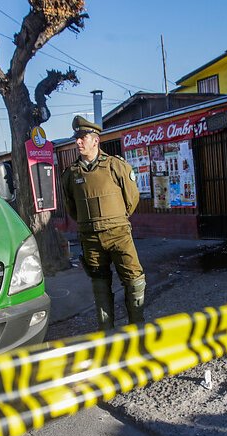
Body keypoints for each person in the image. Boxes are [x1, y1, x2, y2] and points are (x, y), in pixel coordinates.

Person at [61, 115, 146, 331]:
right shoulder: (70, 174)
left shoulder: (116, 166)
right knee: (99, 285)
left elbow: (132, 198)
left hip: (118, 234)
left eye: (83, 137)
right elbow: (71, 207)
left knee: (134, 280)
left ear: (95, 140)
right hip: (90, 238)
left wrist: (115, 219)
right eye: (76, 138)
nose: (78, 142)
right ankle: (106, 333)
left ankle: (136, 329)